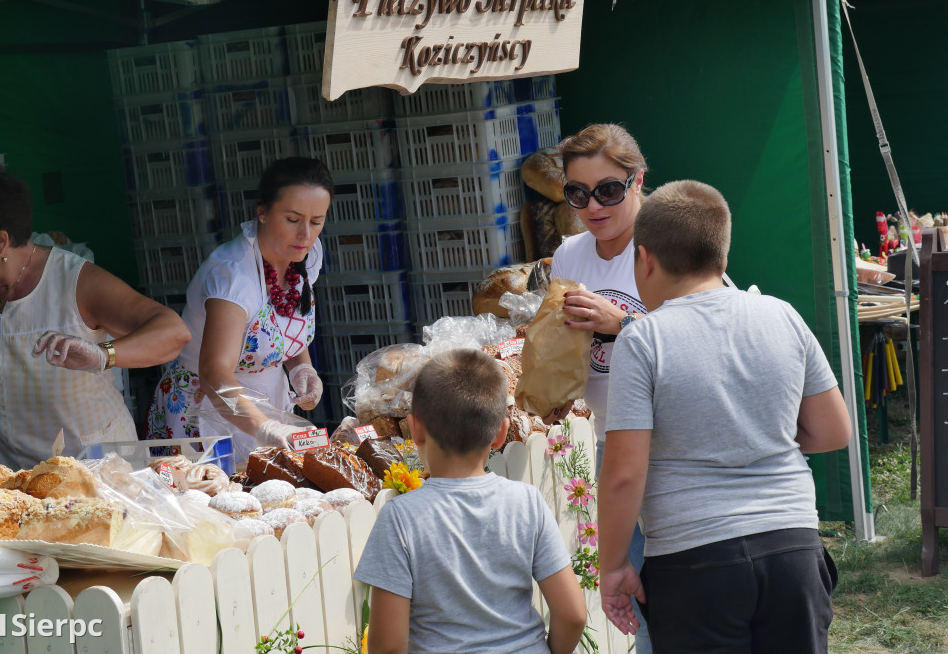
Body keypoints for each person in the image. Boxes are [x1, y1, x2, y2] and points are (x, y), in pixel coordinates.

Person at [598, 180, 851, 652]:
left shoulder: (642, 339)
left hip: (694, 560)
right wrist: (756, 431)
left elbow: (623, 475)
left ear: (645, 258)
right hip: (793, 546)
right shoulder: (782, 314)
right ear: (723, 259)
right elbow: (834, 430)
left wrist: (613, 566)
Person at [0, 162, 191, 470]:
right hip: (4, 493)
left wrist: (103, 355)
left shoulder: (76, 282)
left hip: (95, 481)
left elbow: (173, 332)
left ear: (0, 241)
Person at [355, 348, 586, 654]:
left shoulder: (400, 518)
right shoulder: (526, 502)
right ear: (501, 433)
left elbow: (388, 646)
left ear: (415, 429)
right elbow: (573, 615)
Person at [146, 156, 332, 461]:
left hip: (266, 403)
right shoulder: (233, 277)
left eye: (316, 222)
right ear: (262, 211)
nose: (305, 235)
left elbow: (284, 319)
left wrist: (300, 366)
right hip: (207, 407)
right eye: (292, 219)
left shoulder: (307, 255)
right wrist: (264, 426)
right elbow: (214, 373)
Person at [549, 122, 652, 652]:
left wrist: (624, 326)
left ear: (638, 181)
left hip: (668, 439)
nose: (594, 205)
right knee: (637, 586)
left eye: (609, 189)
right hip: (606, 439)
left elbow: (711, 337)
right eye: (578, 193)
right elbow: (563, 351)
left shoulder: (670, 243)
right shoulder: (569, 255)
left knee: (668, 584)